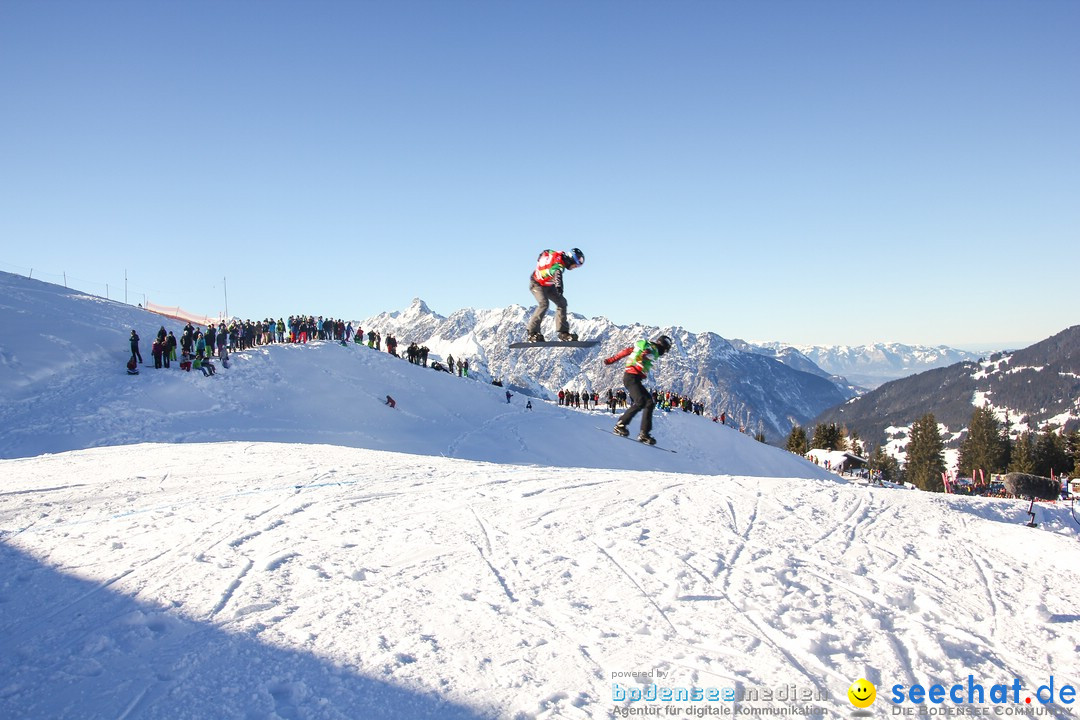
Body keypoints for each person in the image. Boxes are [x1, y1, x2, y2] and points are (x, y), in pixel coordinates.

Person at [603, 335, 672, 445]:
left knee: (649, 402)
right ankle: (620, 425)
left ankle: (644, 433)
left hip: (633, 377)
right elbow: (646, 353)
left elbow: (627, 351)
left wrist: (612, 360)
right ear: (663, 347)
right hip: (631, 377)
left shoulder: (645, 345)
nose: (664, 353)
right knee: (641, 402)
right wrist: (645, 355)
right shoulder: (654, 349)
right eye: (666, 350)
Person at [525, 248, 584, 342]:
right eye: (575, 265)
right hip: (536, 284)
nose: (574, 268)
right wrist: (559, 286)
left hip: (548, 284)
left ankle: (563, 333)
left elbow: (546, 251)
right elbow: (557, 273)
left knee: (562, 302)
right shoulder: (559, 265)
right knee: (544, 304)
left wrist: (541, 256)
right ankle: (532, 333)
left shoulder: (558, 254)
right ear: (570, 260)